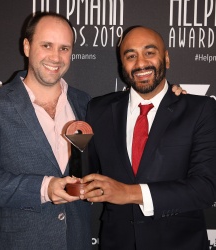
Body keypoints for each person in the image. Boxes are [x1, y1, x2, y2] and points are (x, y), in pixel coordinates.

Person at [80, 26, 216, 250]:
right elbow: (86, 174)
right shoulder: (98, 109)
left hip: (180, 243)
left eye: (149, 52)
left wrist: (129, 193)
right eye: (131, 55)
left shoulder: (200, 109)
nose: (141, 63)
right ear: (122, 64)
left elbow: (205, 188)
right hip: (117, 243)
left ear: (167, 58)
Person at [0, 12, 92, 250]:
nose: (56, 57)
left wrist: (172, 94)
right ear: (27, 46)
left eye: (64, 48)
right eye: (46, 45)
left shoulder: (85, 103)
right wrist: (45, 188)